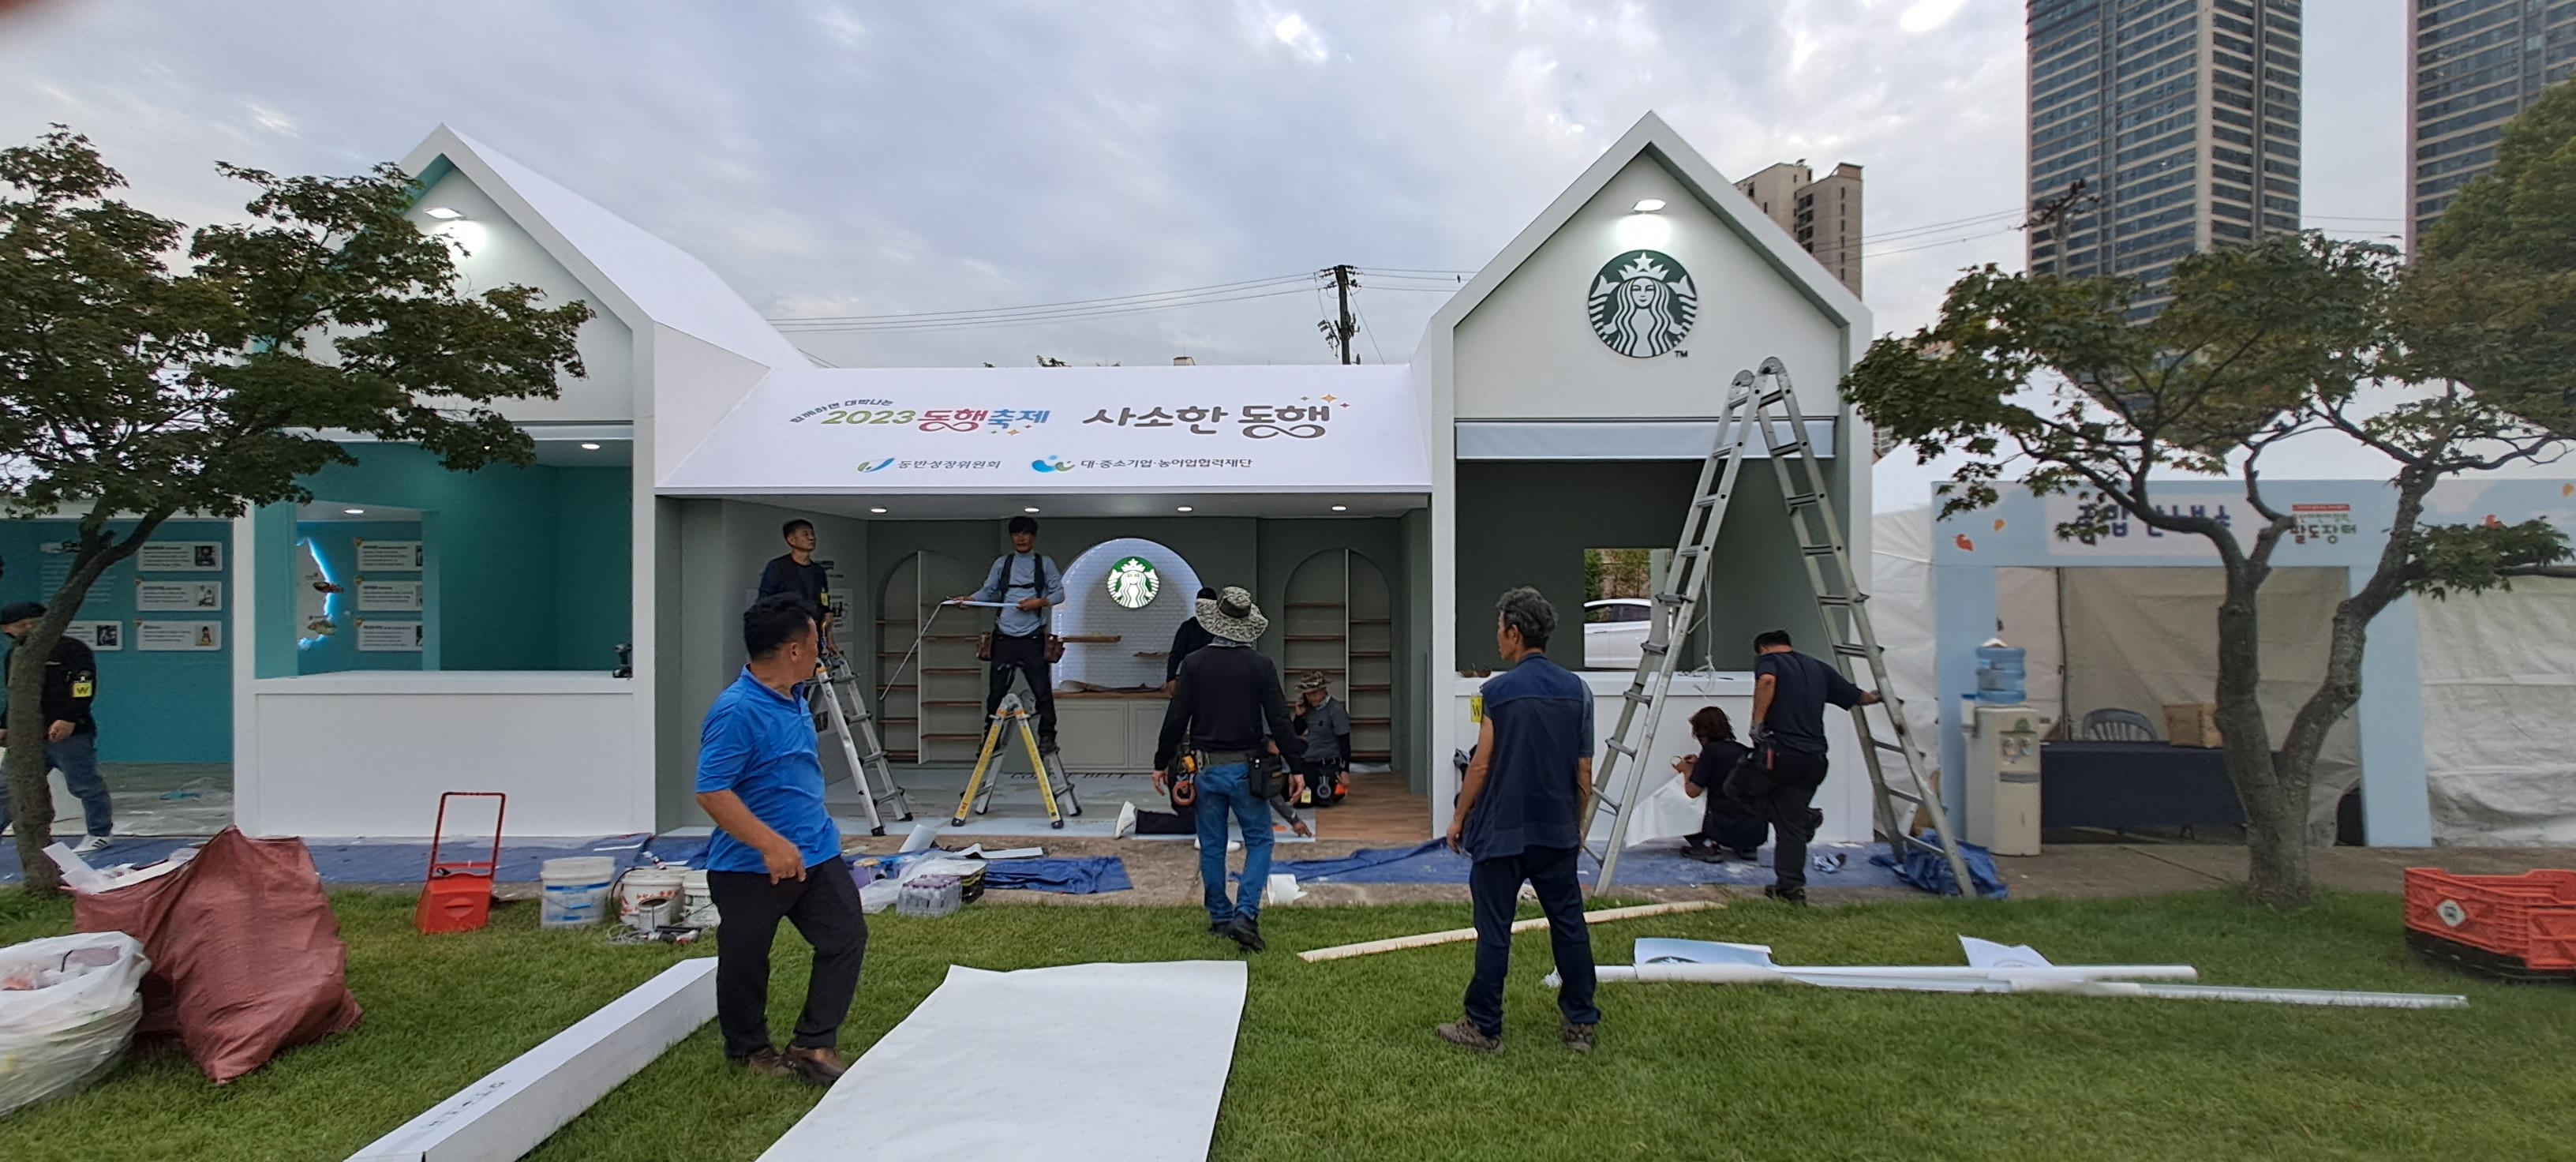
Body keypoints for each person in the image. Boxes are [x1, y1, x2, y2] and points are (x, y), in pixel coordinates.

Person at [696, 594, 867, 1088]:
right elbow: (712, 790)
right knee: (746, 958)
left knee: (845, 936)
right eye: (815, 643)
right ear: (794, 650)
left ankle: (814, 1044)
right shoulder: (737, 710)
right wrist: (770, 844)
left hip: (816, 851)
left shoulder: (794, 696)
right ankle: (748, 1048)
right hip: (751, 865)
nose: (820, 652)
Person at [1439, 587, 1598, 1055]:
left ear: (1514, 633)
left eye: (1499, 629)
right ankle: (1580, 1023)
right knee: (1569, 923)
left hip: (1502, 830)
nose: (1497, 637)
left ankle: (1484, 1026)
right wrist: (1577, 825)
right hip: (1555, 829)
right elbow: (1583, 772)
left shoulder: (1498, 692)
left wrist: (1458, 818)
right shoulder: (1578, 691)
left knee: (1494, 930)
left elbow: (1482, 765)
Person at [1155, 587, 1302, 953]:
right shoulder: (1260, 665)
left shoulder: (1194, 664)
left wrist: (1161, 763)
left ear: (1215, 620)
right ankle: (1246, 915)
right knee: (1260, 841)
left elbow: (1176, 718)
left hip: (1206, 769)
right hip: (1247, 769)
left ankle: (1220, 916)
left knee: (1212, 844)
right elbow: (1280, 720)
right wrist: (1297, 767)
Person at [1748, 628, 1875, 906]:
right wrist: (1882, 696)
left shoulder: (1769, 661)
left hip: (1784, 754)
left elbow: (1767, 681)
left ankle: (1791, 887)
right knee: (1788, 816)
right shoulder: (1817, 667)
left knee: (1742, 792)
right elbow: (1859, 697)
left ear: (1763, 648)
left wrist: (1757, 724)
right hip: (1815, 758)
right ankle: (1803, 821)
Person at [0, 602, 112, 854]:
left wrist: (69, 718)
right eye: (21, 625)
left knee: (84, 784)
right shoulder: (14, 654)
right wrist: (5, 725)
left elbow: (83, 686)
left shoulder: (72, 649)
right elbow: (15, 694)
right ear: (7, 629)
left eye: (35, 623)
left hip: (69, 733)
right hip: (26, 734)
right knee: (9, 785)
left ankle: (100, 831)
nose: (30, 629)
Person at [954, 515, 1066, 753]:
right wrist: (970, 600)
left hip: (1033, 638)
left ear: (1034, 537)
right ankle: (990, 738)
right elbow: (988, 591)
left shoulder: (1044, 563)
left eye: (1026, 534)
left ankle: (1047, 737)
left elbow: (1059, 594)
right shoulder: (1003, 564)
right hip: (1004, 637)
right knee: (996, 693)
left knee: (1042, 691)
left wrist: (1039, 602)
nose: (1021, 538)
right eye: (1016, 534)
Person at [1672, 706, 1762, 863]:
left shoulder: (1711, 752)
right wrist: (1700, 763)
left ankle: (1707, 846)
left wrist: (1686, 770)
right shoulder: (1744, 752)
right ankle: (1747, 847)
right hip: (1754, 830)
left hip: (1723, 827)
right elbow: (1724, 771)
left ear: (1702, 734)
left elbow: (1693, 791)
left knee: (1675, 801)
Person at [758, 519, 834, 649]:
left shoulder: (818, 571)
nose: (812, 538)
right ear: (792, 540)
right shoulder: (778, 567)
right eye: (806, 534)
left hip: (814, 635)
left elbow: (824, 602)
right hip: (787, 634)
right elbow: (764, 602)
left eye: (812, 534)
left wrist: (829, 638)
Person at [1290, 671, 1351, 807]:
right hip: (1309, 762)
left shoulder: (1336, 710)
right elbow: (1296, 732)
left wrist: (1345, 770)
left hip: (1328, 763)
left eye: (1315, 693)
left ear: (1323, 690)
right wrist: (1299, 716)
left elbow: (1344, 741)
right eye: (1308, 694)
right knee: (1301, 802)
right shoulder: (1309, 709)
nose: (1312, 698)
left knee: (1324, 799)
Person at [1161, 587, 1219, 694]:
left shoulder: (1221, 628)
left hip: (1215, 677)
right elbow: (1176, 654)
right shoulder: (1188, 627)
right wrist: (1171, 678)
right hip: (1193, 677)